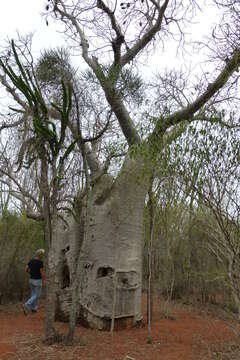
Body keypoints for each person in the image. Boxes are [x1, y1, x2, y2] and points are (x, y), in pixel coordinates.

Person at [22, 249, 46, 315]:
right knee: (36, 295)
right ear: (41, 255)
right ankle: (26, 305)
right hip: (38, 281)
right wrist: (44, 280)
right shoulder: (40, 262)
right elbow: (42, 272)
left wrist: (31, 272)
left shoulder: (31, 261)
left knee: (33, 294)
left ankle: (33, 309)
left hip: (31, 280)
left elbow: (26, 269)